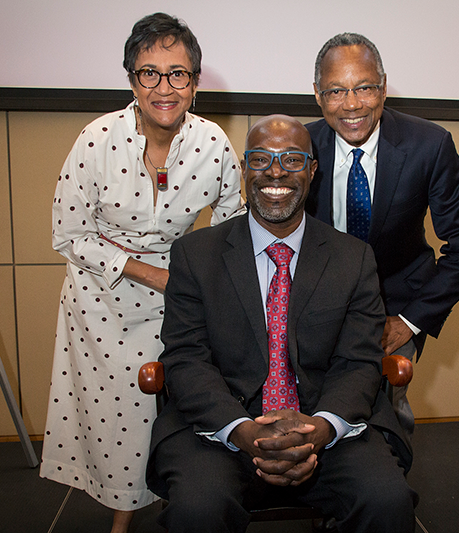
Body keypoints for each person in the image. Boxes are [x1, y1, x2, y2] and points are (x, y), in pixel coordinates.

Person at [146, 115, 416, 533]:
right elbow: (186, 359)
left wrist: (320, 428)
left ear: (311, 170)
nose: (275, 171)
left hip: (326, 425)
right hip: (223, 429)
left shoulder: (353, 258)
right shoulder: (194, 255)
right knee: (197, 509)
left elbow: (358, 362)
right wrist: (242, 430)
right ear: (243, 169)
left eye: (292, 159)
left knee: (386, 500)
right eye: (261, 159)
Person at [39, 13, 244, 533]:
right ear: (132, 78)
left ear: (195, 83)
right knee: (116, 422)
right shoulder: (96, 138)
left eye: (178, 74)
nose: (164, 87)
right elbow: (68, 234)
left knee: (169, 410)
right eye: (149, 73)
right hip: (100, 301)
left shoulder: (214, 142)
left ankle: (182, 502)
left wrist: (205, 284)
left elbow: (233, 225)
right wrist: (151, 274)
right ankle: (122, 517)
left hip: (177, 302)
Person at [305, 33, 459, 436]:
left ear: (384, 88)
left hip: (395, 307)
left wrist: (410, 320)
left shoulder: (430, 145)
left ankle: (392, 489)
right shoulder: (301, 147)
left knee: (387, 411)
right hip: (314, 307)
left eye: (365, 88)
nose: (351, 104)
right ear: (317, 94)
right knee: (316, 411)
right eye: (336, 91)